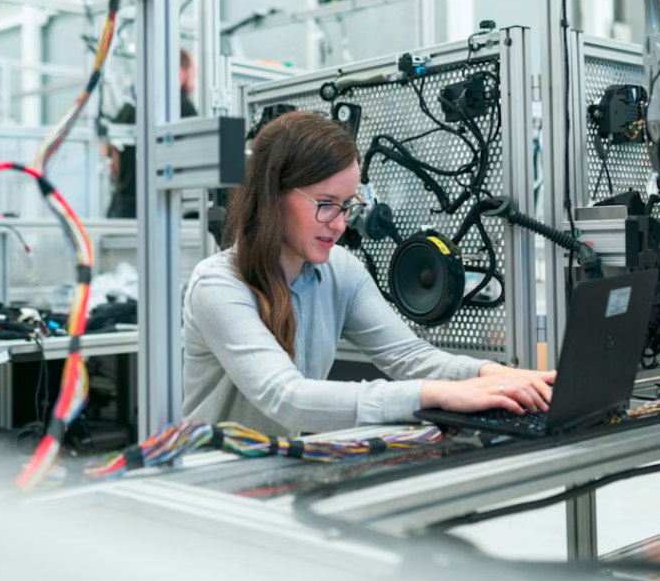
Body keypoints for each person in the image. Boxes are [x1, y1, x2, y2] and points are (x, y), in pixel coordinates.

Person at [182, 111, 555, 437]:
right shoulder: (218, 285)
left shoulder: (340, 270)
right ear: (272, 197)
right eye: (326, 204)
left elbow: (409, 356)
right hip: (211, 479)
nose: (340, 224)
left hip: (278, 467)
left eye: (347, 205)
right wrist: (436, 394)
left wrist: (493, 374)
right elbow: (287, 398)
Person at [106, 48, 197, 218]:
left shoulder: (129, 109)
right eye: (193, 74)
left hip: (123, 211)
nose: (194, 81)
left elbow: (109, 155)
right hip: (163, 212)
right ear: (180, 73)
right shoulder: (183, 107)